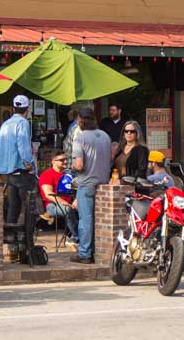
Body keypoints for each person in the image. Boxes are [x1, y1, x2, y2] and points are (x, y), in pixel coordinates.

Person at [71, 107, 111, 264]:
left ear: (81, 120)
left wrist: (72, 166)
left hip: (87, 183)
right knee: (102, 219)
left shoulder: (80, 138)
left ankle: (85, 253)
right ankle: (100, 250)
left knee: (85, 220)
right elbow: (110, 158)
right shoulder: (105, 136)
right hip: (104, 183)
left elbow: (79, 165)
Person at [0, 95, 37, 224]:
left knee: (13, 208)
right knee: (29, 207)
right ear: (28, 109)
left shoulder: (5, 124)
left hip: (9, 173)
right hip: (21, 171)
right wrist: (29, 163)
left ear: (14, 108)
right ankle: (28, 241)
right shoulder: (23, 123)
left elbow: (0, 147)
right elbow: (23, 145)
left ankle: (11, 239)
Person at [38, 151, 79, 241]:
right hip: (52, 205)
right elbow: (49, 195)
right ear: (53, 161)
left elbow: (78, 189)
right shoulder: (47, 174)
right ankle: (77, 237)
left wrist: (77, 199)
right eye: (62, 160)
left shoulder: (68, 175)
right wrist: (66, 203)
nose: (65, 162)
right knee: (68, 209)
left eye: (66, 159)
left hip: (70, 202)